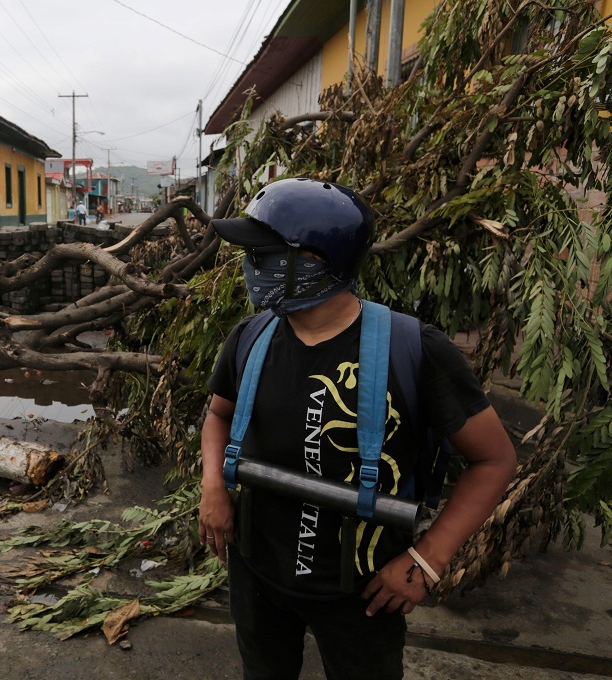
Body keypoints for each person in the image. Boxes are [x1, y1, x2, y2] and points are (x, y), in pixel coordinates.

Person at [198, 178, 516, 679]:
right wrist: (213, 484)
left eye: (263, 255)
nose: (249, 267)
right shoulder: (250, 337)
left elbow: (494, 459)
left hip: (363, 593)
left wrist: (427, 560)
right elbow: (218, 416)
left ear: (316, 261)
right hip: (257, 573)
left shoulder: (415, 351)